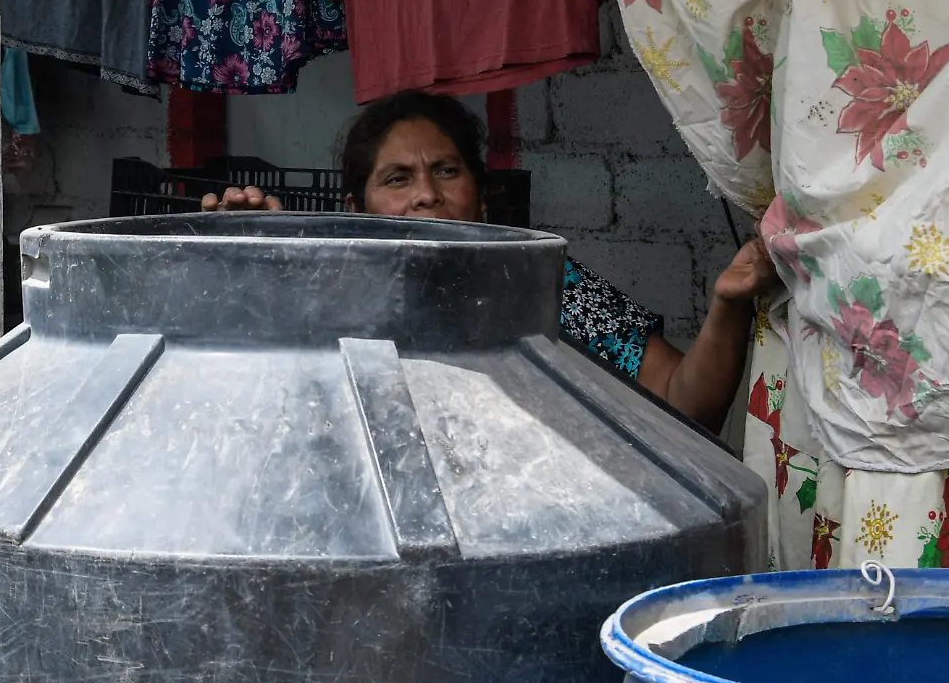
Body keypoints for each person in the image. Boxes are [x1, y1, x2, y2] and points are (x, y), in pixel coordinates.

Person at [202, 90, 773, 430]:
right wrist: (252, 256)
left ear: (479, 194)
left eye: (447, 171)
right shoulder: (324, 287)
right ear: (357, 206)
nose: (427, 194)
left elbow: (680, 402)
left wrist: (728, 305)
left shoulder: (547, 285)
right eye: (397, 179)